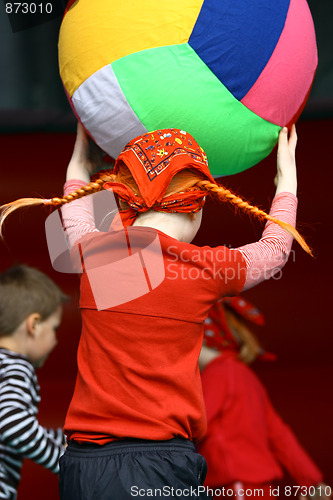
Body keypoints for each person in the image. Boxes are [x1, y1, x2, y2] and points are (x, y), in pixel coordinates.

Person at [0, 124, 312, 499]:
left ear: (125, 201)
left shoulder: (94, 254)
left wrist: (79, 161)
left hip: (83, 465)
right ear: (197, 206)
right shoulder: (204, 269)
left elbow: (77, 213)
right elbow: (276, 248)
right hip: (158, 462)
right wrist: (287, 178)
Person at [198, 298, 330, 500]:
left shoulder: (220, 373)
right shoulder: (246, 375)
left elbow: (196, 425)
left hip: (235, 485)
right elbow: (279, 434)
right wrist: (311, 481)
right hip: (259, 487)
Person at [0, 264, 67, 500]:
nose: (56, 340)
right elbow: (10, 421)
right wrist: (63, 463)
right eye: (54, 329)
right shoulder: (17, 367)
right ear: (34, 325)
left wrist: (68, 439)